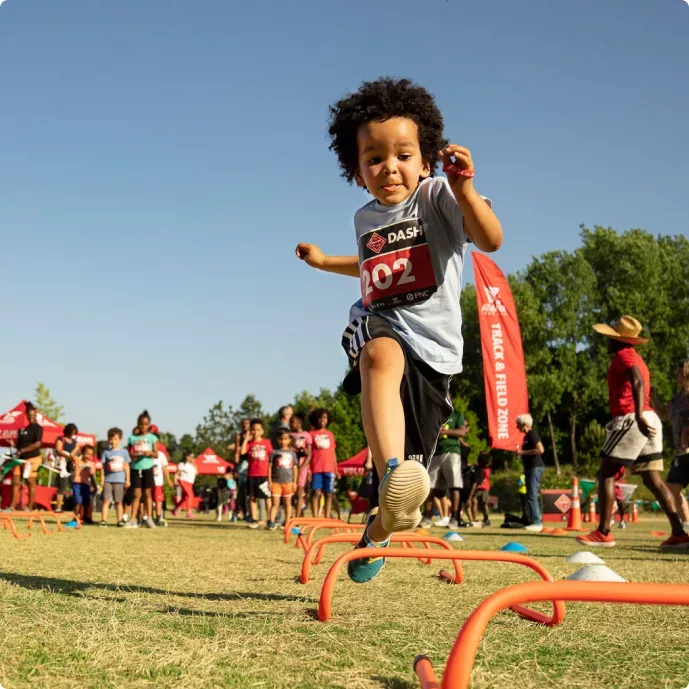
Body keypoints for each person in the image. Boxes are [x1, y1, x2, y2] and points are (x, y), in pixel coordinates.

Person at [296, 77, 502, 582]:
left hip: (436, 355)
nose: (389, 167)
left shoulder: (438, 197)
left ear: (426, 159)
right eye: (373, 158)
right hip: (384, 327)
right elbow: (372, 265)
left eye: (403, 155)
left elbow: (490, 239)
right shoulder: (364, 216)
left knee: (413, 474)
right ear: (357, 169)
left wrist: (466, 189)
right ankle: (391, 476)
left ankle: (383, 526)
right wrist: (326, 263)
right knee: (377, 355)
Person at [577, 316, 689, 549]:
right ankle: (678, 533)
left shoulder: (623, 355)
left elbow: (637, 382)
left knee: (606, 473)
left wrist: (636, 415)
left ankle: (604, 532)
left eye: (610, 337)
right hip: (651, 419)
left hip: (632, 417)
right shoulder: (636, 356)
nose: (606, 341)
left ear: (619, 340)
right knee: (653, 480)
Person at [651, 359, 689, 529]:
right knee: (672, 489)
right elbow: (664, 415)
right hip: (681, 451)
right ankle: (687, 526)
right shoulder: (678, 395)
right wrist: (652, 397)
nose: (675, 376)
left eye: (678, 373)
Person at [424, 409, 466, 528]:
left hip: (452, 452)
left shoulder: (457, 414)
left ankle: (454, 518)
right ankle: (427, 517)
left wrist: (446, 431)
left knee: (454, 486)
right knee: (429, 487)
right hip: (435, 453)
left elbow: (462, 432)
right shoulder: (434, 413)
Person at [9, 402, 44, 511]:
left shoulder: (37, 428)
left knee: (30, 481)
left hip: (33, 458)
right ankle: (11, 506)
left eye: (33, 414)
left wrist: (24, 450)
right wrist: (14, 445)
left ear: (35, 414)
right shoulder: (23, 429)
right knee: (15, 481)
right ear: (26, 415)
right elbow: (20, 445)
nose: (31, 416)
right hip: (20, 459)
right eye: (29, 414)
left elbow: (38, 444)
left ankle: (29, 506)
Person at [126, 411, 158, 529]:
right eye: (141, 424)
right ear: (138, 424)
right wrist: (134, 455)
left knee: (147, 494)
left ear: (149, 425)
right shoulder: (132, 438)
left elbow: (156, 454)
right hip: (135, 468)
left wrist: (148, 452)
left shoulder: (152, 438)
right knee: (136, 494)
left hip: (147, 467)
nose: (143, 426)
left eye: (146, 424)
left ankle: (149, 518)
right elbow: (129, 453)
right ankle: (133, 519)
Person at [515, 414, 545, 532]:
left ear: (524, 424)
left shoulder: (532, 434)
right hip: (530, 468)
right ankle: (533, 520)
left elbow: (540, 449)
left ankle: (537, 522)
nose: (517, 427)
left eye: (518, 424)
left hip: (535, 467)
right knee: (530, 495)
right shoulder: (526, 436)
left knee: (532, 495)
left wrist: (522, 453)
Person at [241, 419, 273, 528]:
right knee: (252, 497)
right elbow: (242, 452)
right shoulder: (250, 444)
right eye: (253, 430)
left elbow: (271, 457)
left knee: (267, 497)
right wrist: (246, 439)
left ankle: (270, 520)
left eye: (258, 429)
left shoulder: (266, 442)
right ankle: (254, 519)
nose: (255, 432)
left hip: (263, 474)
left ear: (262, 431)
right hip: (252, 474)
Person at [308, 408, 338, 519]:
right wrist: (309, 469)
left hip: (329, 468)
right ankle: (315, 517)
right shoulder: (311, 434)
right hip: (316, 468)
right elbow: (309, 453)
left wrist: (336, 469)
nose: (322, 420)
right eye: (320, 418)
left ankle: (327, 516)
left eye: (325, 417)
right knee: (316, 492)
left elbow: (333, 452)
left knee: (329, 493)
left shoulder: (330, 434)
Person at [99, 428, 131, 527]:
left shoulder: (124, 452)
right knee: (106, 501)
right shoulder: (106, 452)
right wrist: (102, 479)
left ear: (120, 440)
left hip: (120, 480)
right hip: (108, 480)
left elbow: (126, 466)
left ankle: (120, 520)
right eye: (111, 439)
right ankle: (104, 520)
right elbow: (103, 467)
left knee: (119, 502)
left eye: (116, 439)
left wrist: (127, 479)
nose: (113, 441)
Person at [268, 430, 298, 529]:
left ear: (289, 440)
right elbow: (270, 467)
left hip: (288, 483)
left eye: (285, 439)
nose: (283, 441)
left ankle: (288, 521)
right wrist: (269, 481)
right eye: (281, 439)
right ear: (277, 440)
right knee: (275, 503)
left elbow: (295, 468)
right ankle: (271, 522)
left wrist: (294, 482)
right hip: (276, 482)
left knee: (287, 503)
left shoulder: (292, 454)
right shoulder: (274, 453)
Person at [289, 413, 313, 518]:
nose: (291, 424)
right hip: (290, 467)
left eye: (292, 422)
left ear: (299, 423)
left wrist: (302, 468)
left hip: (302, 467)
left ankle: (298, 516)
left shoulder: (307, 436)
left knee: (300, 492)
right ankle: (290, 516)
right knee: (290, 493)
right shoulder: (289, 435)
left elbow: (309, 454)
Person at [54, 423, 79, 513]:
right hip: (62, 466)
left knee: (75, 486)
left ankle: (75, 507)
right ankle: (58, 507)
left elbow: (76, 450)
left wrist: (72, 456)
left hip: (71, 466)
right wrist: (68, 456)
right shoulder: (61, 439)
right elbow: (58, 450)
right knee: (62, 487)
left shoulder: (75, 442)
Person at [72, 445, 96, 523]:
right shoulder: (77, 460)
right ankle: (75, 518)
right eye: (87, 453)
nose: (89, 456)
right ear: (82, 453)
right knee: (78, 501)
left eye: (91, 454)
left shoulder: (91, 464)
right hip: (77, 483)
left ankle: (86, 517)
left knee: (86, 501)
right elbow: (71, 455)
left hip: (86, 484)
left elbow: (91, 476)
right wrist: (76, 448)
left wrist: (94, 485)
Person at [173, 452, 198, 518]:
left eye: (193, 457)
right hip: (183, 481)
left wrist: (194, 463)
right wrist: (175, 481)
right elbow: (177, 473)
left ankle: (176, 509)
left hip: (190, 483)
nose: (193, 458)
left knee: (185, 498)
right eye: (192, 457)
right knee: (190, 496)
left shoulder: (192, 465)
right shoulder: (182, 464)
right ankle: (189, 512)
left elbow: (197, 472)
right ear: (187, 457)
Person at [152, 446, 172, 526]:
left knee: (158, 500)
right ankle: (148, 517)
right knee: (147, 500)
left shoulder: (161, 455)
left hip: (158, 482)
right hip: (147, 481)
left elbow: (164, 468)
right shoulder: (146, 454)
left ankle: (158, 517)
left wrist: (169, 480)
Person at [475, 452, 492, 526]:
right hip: (480, 488)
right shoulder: (482, 469)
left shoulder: (486, 470)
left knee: (484, 504)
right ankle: (483, 518)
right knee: (481, 504)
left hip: (484, 489)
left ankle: (486, 518)